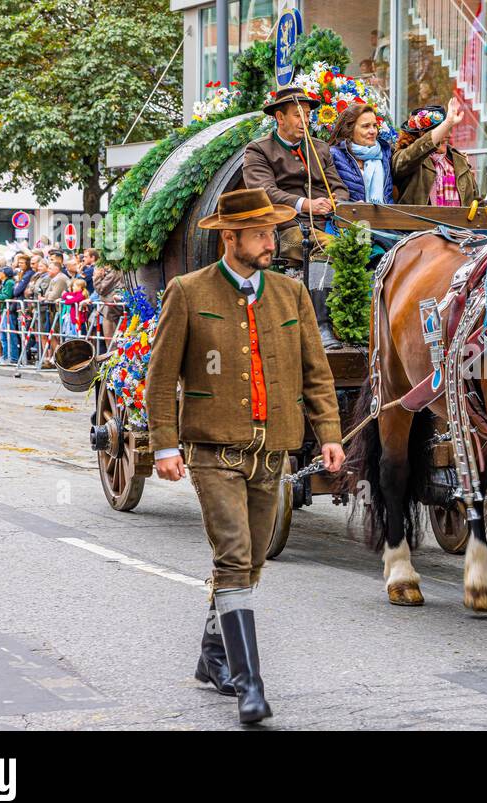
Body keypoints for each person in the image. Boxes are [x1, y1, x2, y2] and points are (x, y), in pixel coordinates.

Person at [145, 188, 344, 725]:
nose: (270, 242)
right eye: (259, 233)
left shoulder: (290, 294)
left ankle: (213, 658)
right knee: (233, 558)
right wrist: (164, 444)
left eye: (273, 231)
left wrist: (329, 432)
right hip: (213, 451)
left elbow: (315, 371)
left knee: (252, 564)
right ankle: (249, 685)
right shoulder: (187, 292)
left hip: (274, 450)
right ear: (228, 237)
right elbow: (161, 377)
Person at [243, 86, 349, 350]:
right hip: (284, 234)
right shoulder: (258, 151)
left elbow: (339, 186)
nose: (305, 120)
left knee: (365, 245)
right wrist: (307, 204)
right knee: (327, 246)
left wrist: (336, 201)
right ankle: (321, 325)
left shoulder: (320, 148)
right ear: (279, 118)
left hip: (328, 225)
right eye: (297, 115)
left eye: (307, 114)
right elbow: (263, 192)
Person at [392, 98, 478, 208]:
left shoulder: (460, 160)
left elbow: (475, 201)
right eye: (443, 130)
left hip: (457, 225)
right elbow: (416, 151)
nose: (448, 135)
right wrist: (448, 122)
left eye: (449, 129)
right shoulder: (405, 158)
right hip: (421, 225)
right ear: (422, 134)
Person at [328, 103, 394, 205]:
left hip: (387, 217)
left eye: (374, 125)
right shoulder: (334, 155)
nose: (373, 131)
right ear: (350, 129)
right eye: (366, 126)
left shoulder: (385, 152)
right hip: (350, 218)